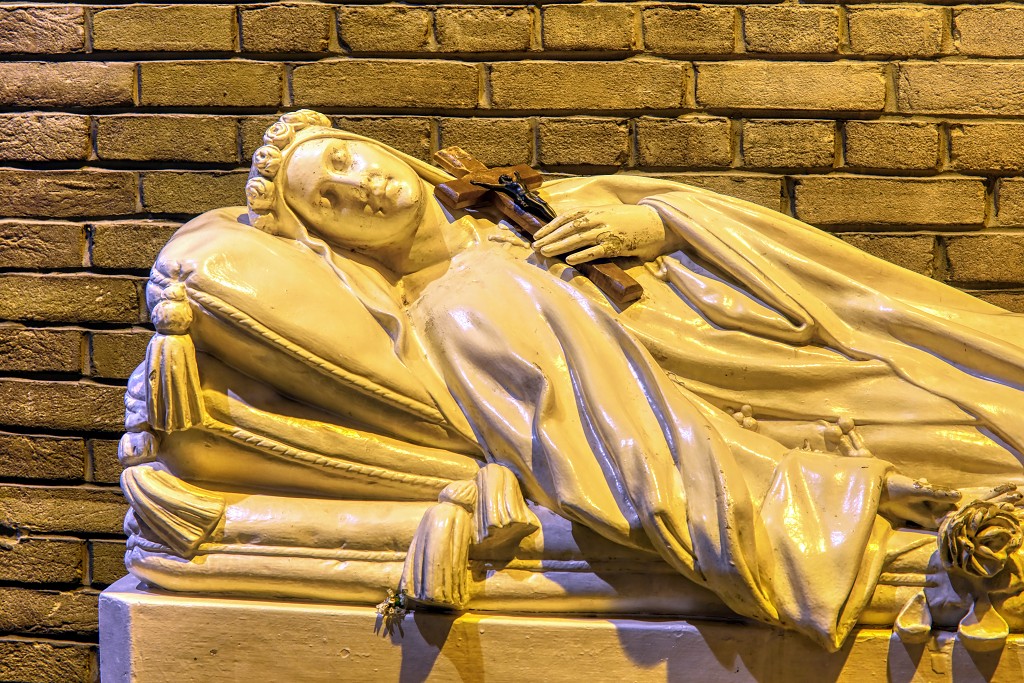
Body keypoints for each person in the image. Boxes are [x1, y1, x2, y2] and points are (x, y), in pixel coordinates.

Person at [128, 110, 1024, 650]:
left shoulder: (514, 210)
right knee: (975, 434)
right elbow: (634, 444)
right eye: (329, 197)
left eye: (351, 158)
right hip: (790, 409)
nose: (362, 185)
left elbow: (744, 242)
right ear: (330, 244)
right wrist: (859, 493)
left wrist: (658, 222)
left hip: (815, 343)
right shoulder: (463, 306)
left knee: (978, 371)